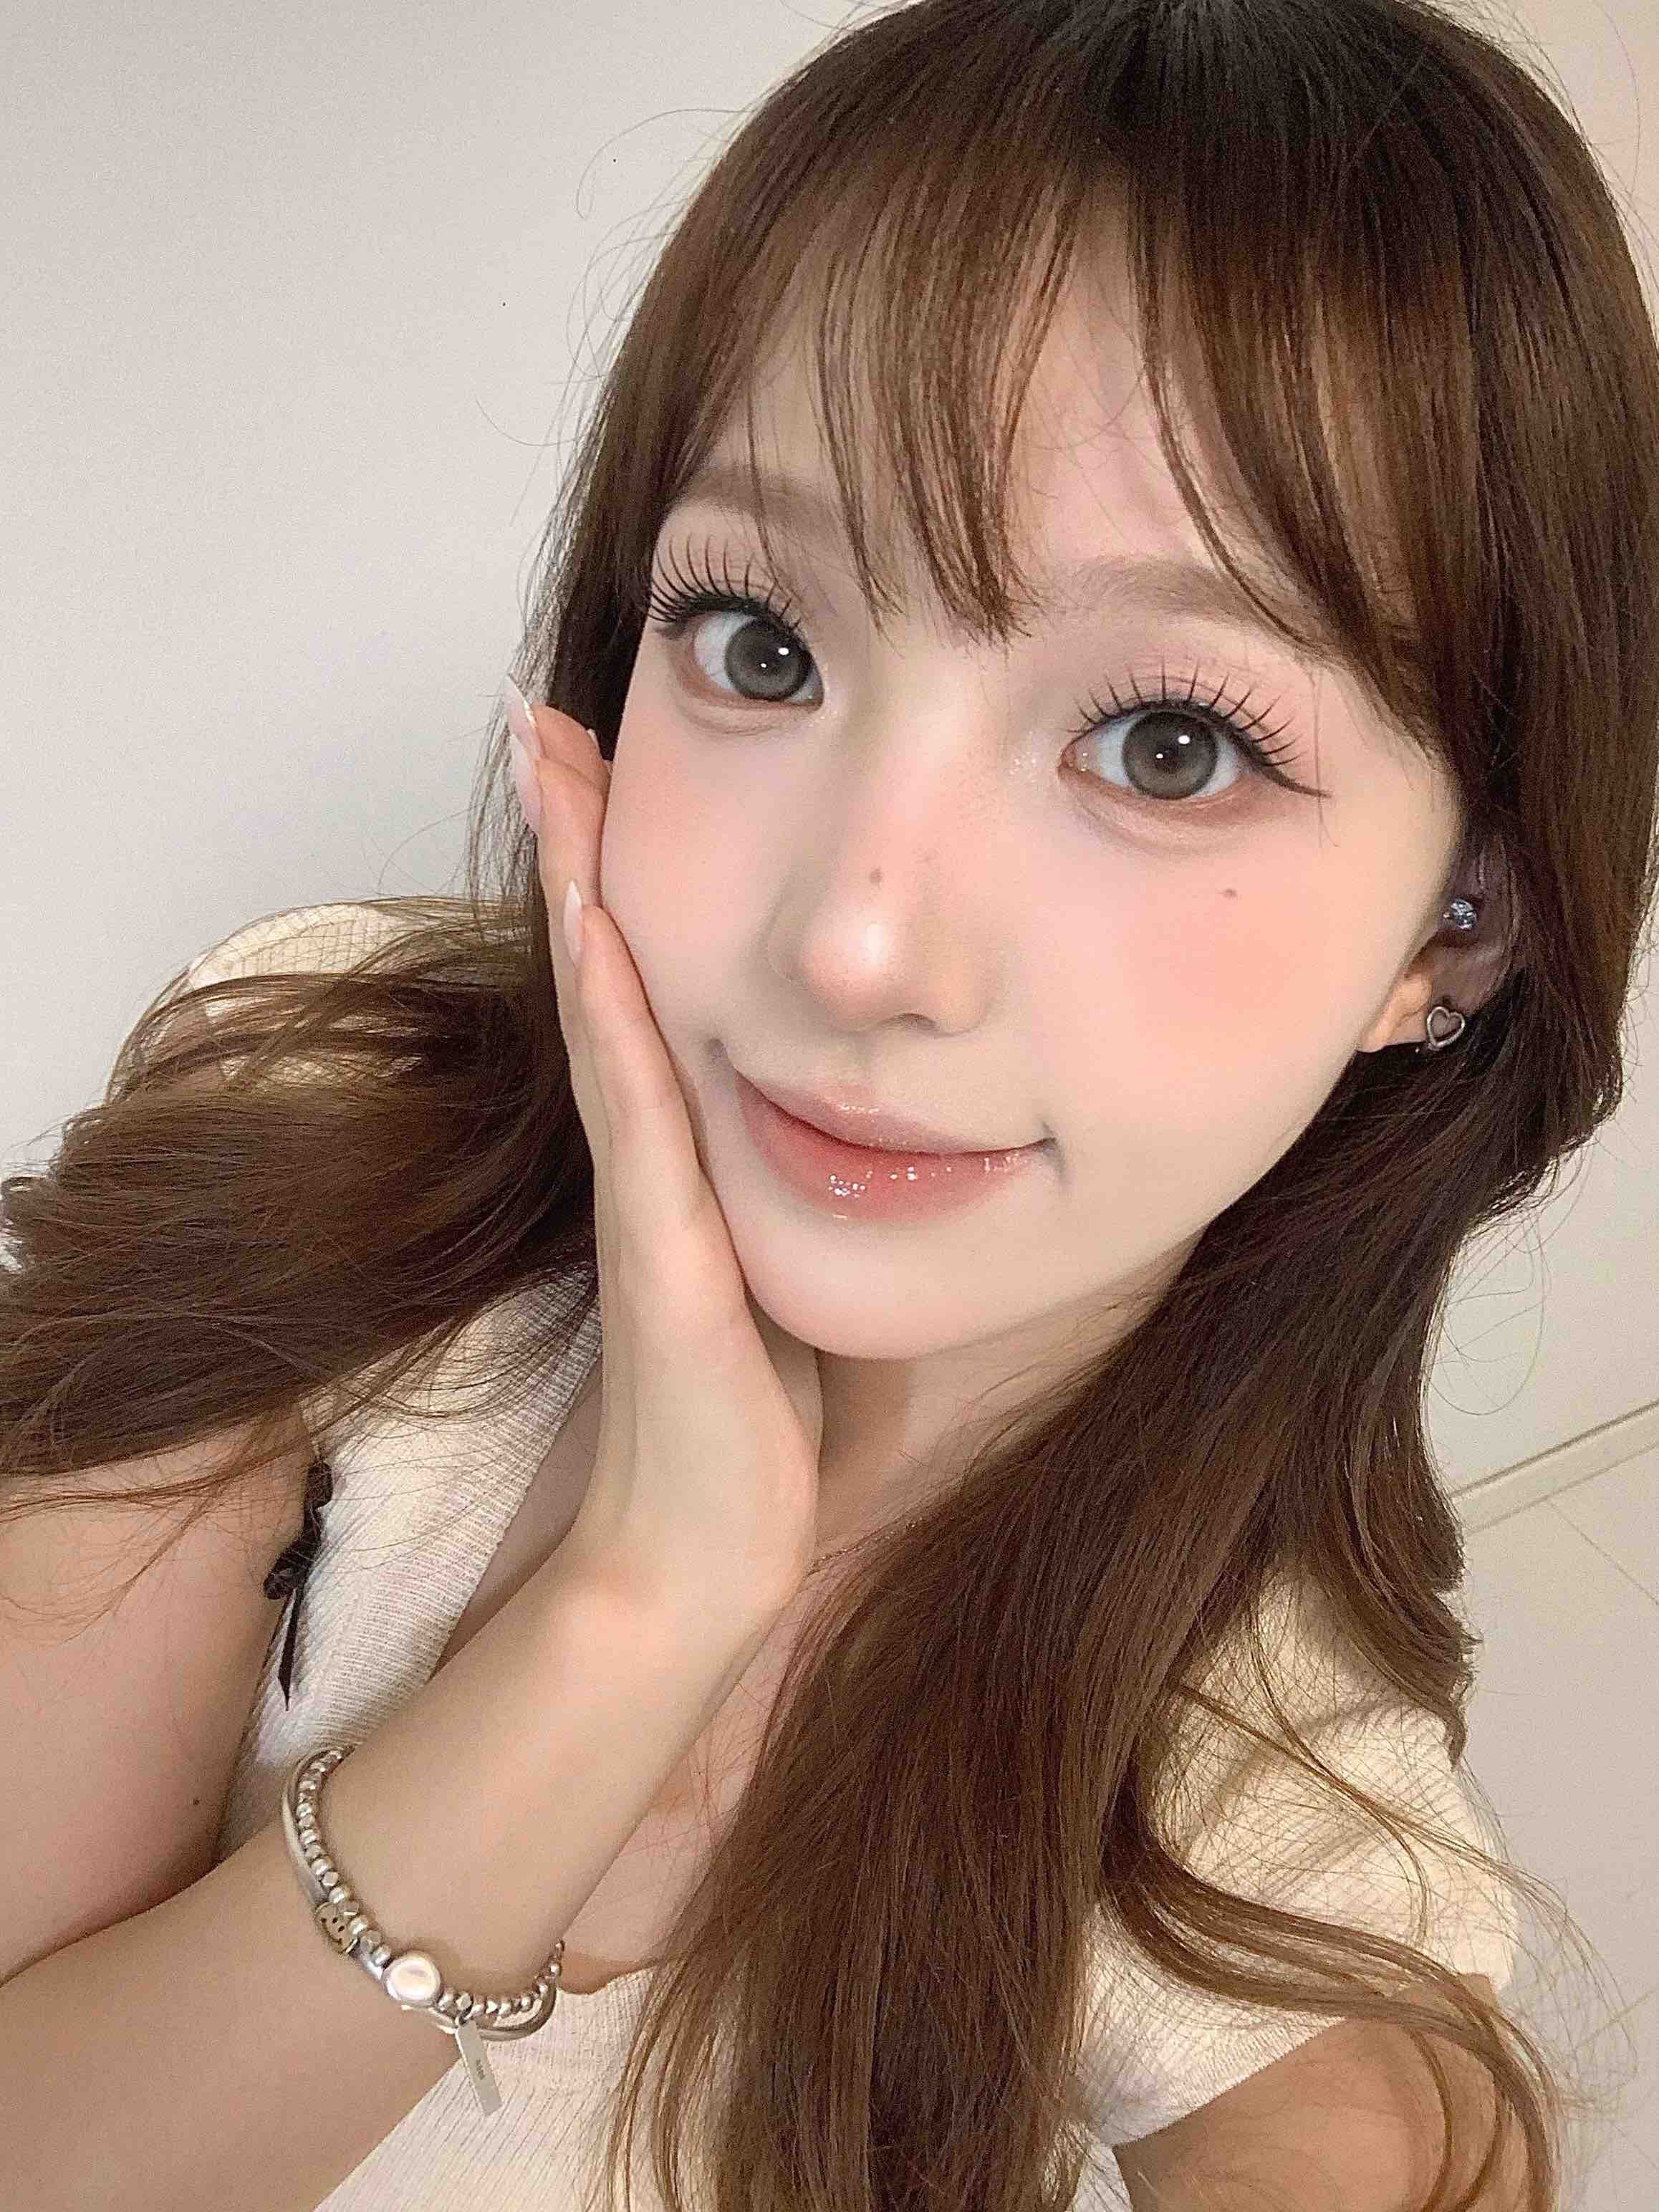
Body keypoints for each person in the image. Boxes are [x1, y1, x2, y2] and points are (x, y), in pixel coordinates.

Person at [3, 0, 1650, 2205]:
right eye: (760, 644)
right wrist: (639, 1603)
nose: (856, 945)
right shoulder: (319, 1106)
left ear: (1459, 925)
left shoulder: (1266, 1835)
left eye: (1167, 744)